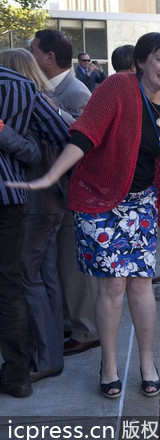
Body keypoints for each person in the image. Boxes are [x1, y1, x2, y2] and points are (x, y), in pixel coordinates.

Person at [7, 32, 160, 399]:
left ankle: (147, 362)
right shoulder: (116, 88)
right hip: (99, 202)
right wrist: (51, 174)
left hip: (140, 204)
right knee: (112, 285)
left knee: (141, 284)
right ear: (141, 62)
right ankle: (108, 364)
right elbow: (84, 135)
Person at [0, 65, 70, 399]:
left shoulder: (30, 97)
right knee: (40, 276)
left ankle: (45, 357)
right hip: (42, 199)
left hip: (36, 200)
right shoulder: (42, 98)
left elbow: (43, 146)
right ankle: (48, 355)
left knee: (28, 278)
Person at [29, 29, 100, 357]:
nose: (31, 57)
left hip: (73, 192)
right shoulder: (46, 88)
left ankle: (87, 330)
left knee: (74, 266)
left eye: (34, 52)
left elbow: (88, 142)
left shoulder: (76, 91)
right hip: (57, 193)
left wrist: (55, 112)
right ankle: (73, 323)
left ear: (49, 58)